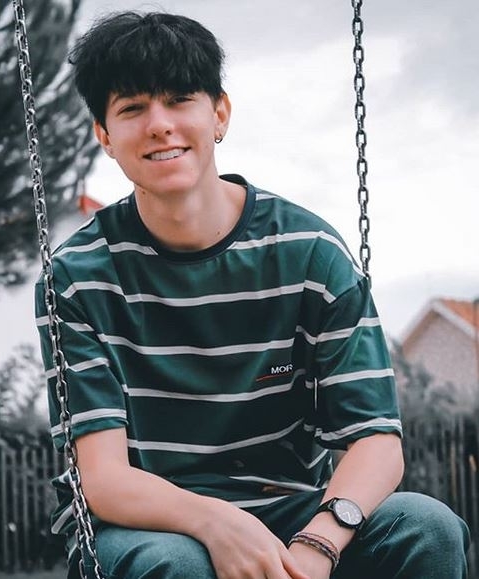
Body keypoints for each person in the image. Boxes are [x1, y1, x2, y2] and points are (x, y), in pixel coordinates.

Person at [35, 11, 470, 579]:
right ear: (104, 135)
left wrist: (319, 543)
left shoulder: (309, 254)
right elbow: (103, 478)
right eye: (133, 108)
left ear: (219, 114)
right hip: (149, 524)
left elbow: (376, 441)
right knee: (177, 563)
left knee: (426, 527)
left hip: (290, 512)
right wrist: (216, 522)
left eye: (179, 100)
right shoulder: (76, 276)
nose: (160, 125)